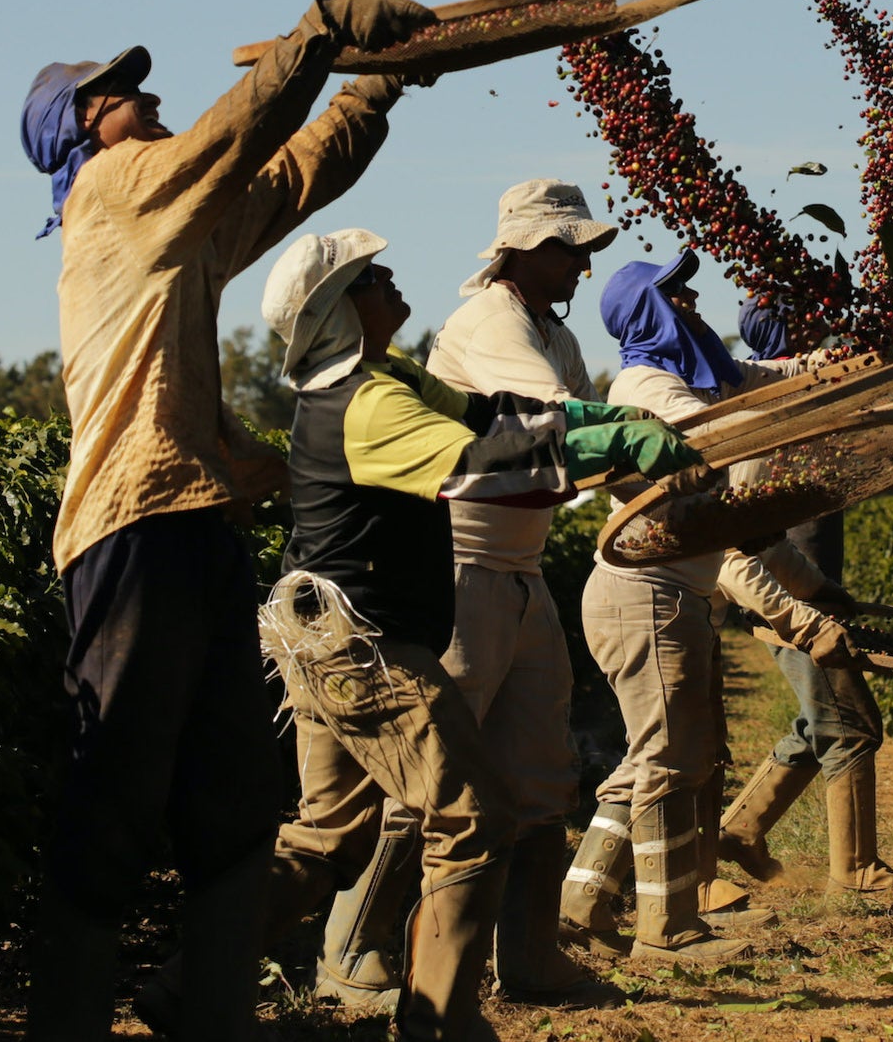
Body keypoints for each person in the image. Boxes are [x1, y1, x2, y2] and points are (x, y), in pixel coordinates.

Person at [17, 0, 437, 1042]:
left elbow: (287, 174)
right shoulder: (113, 193)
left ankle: (209, 1017)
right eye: (120, 94)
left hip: (194, 523)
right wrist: (320, 32)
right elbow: (234, 133)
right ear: (83, 132)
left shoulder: (180, 229)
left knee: (235, 802)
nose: (149, 97)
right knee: (115, 797)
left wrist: (374, 89)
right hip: (130, 529)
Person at [255, 227, 702, 1041]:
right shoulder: (369, 403)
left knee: (332, 833)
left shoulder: (386, 375)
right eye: (373, 276)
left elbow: (489, 410)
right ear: (340, 312)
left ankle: (190, 983)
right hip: (364, 643)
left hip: (329, 634)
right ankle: (441, 1020)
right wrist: (615, 442)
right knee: (467, 813)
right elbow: (485, 458)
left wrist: (606, 417)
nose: (395, 280)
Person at [317, 180, 623, 1010]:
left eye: (585, 252)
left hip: (519, 573)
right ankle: (354, 948)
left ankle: (527, 955)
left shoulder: (551, 330)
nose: (579, 267)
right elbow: (560, 422)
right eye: (568, 250)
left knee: (539, 768)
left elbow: (584, 447)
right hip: (463, 574)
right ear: (521, 248)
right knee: (432, 775)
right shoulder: (493, 322)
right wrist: (629, 433)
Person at [560, 251, 860, 965]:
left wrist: (849, 362)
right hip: (644, 594)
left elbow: (746, 508)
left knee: (655, 755)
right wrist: (803, 616)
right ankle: (666, 926)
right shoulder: (651, 387)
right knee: (670, 759)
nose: (694, 298)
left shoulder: (695, 380)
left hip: (667, 593)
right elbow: (736, 473)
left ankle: (582, 901)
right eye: (678, 293)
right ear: (652, 312)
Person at [716, 296, 893, 897]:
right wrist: (801, 611)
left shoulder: (809, 404)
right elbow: (749, 541)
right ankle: (855, 871)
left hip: (804, 597)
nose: (830, 342)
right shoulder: (775, 415)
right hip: (787, 608)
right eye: (816, 330)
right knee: (853, 725)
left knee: (825, 720)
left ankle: (741, 827)